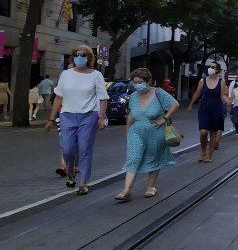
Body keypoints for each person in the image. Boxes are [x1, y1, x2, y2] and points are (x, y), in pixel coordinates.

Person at [43, 45, 109, 195]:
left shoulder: (96, 75)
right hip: (67, 116)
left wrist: (101, 117)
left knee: (84, 149)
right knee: (67, 150)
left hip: (89, 116)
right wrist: (51, 119)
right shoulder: (66, 74)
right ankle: (71, 173)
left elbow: (103, 98)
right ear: (73, 57)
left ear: (89, 58)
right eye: (77, 54)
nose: (80, 57)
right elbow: (58, 97)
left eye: (84, 55)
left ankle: (83, 183)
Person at [115, 68, 179, 201]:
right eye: (135, 82)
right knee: (133, 157)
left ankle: (151, 187)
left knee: (154, 158)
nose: (137, 85)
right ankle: (127, 190)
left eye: (140, 82)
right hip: (136, 131)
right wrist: (127, 131)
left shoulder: (159, 93)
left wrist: (164, 118)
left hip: (155, 131)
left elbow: (174, 104)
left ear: (148, 81)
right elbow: (132, 115)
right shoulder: (133, 96)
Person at [187, 61, 229, 163]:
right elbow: (197, 94)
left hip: (217, 109)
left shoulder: (221, 82)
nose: (210, 68)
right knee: (203, 132)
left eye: (213, 67)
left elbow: (223, 94)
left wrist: (228, 101)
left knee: (213, 133)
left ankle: (209, 155)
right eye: (210, 67)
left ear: (217, 70)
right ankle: (202, 151)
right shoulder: (202, 81)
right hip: (204, 109)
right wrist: (190, 105)